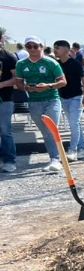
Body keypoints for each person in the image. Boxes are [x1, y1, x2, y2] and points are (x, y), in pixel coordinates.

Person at [16, 36, 65, 173]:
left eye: (35, 46)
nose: (32, 49)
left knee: (51, 129)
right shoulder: (21, 64)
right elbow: (19, 82)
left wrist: (48, 86)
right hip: (34, 101)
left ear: (41, 47)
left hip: (52, 99)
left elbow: (63, 81)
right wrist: (26, 87)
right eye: (29, 46)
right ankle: (54, 157)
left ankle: (56, 159)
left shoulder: (51, 62)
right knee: (45, 132)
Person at [53, 40, 84, 162]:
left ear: (66, 49)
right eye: (54, 48)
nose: (55, 50)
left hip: (76, 97)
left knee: (74, 124)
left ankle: (72, 150)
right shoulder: (56, 64)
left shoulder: (75, 64)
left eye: (57, 48)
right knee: (75, 124)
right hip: (63, 98)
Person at [0, 30, 19, 173]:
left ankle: (9, 160)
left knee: (5, 130)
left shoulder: (9, 57)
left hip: (5, 99)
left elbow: (17, 80)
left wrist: (1, 85)